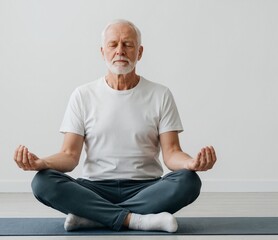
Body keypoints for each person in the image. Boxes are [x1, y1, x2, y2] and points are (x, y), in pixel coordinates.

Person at [13, 19, 217, 233]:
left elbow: (172, 152)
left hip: (146, 187)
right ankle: (136, 220)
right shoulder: (83, 95)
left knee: (189, 181)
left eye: (128, 44)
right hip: (94, 188)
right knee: (43, 182)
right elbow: (69, 155)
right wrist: (41, 162)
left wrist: (191, 163)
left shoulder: (160, 94)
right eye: (113, 44)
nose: (120, 50)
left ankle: (94, 217)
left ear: (139, 52)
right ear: (103, 52)